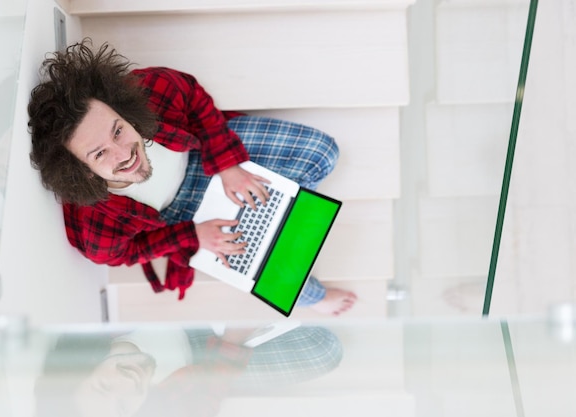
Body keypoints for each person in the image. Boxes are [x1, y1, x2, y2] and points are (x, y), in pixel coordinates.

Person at [28, 39, 356, 315]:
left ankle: (278, 237)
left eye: (118, 131)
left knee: (324, 154)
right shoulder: (99, 222)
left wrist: (227, 164)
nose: (124, 153)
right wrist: (193, 235)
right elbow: (123, 253)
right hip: (175, 215)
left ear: (124, 113)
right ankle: (302, 285)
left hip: (199, 152)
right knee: (261, 262)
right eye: (100, 154)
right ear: (82, 170)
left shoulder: (146, 92)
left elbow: (191, 95)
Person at [33, 324, 343, 417]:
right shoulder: (162, 403)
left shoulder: (95, 324)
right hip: (203, 358)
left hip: (182, 314)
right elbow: (205, 401)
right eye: (122, 407)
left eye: (104, 386)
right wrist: (233, 339)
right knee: (324, 349)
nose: (128, 387)